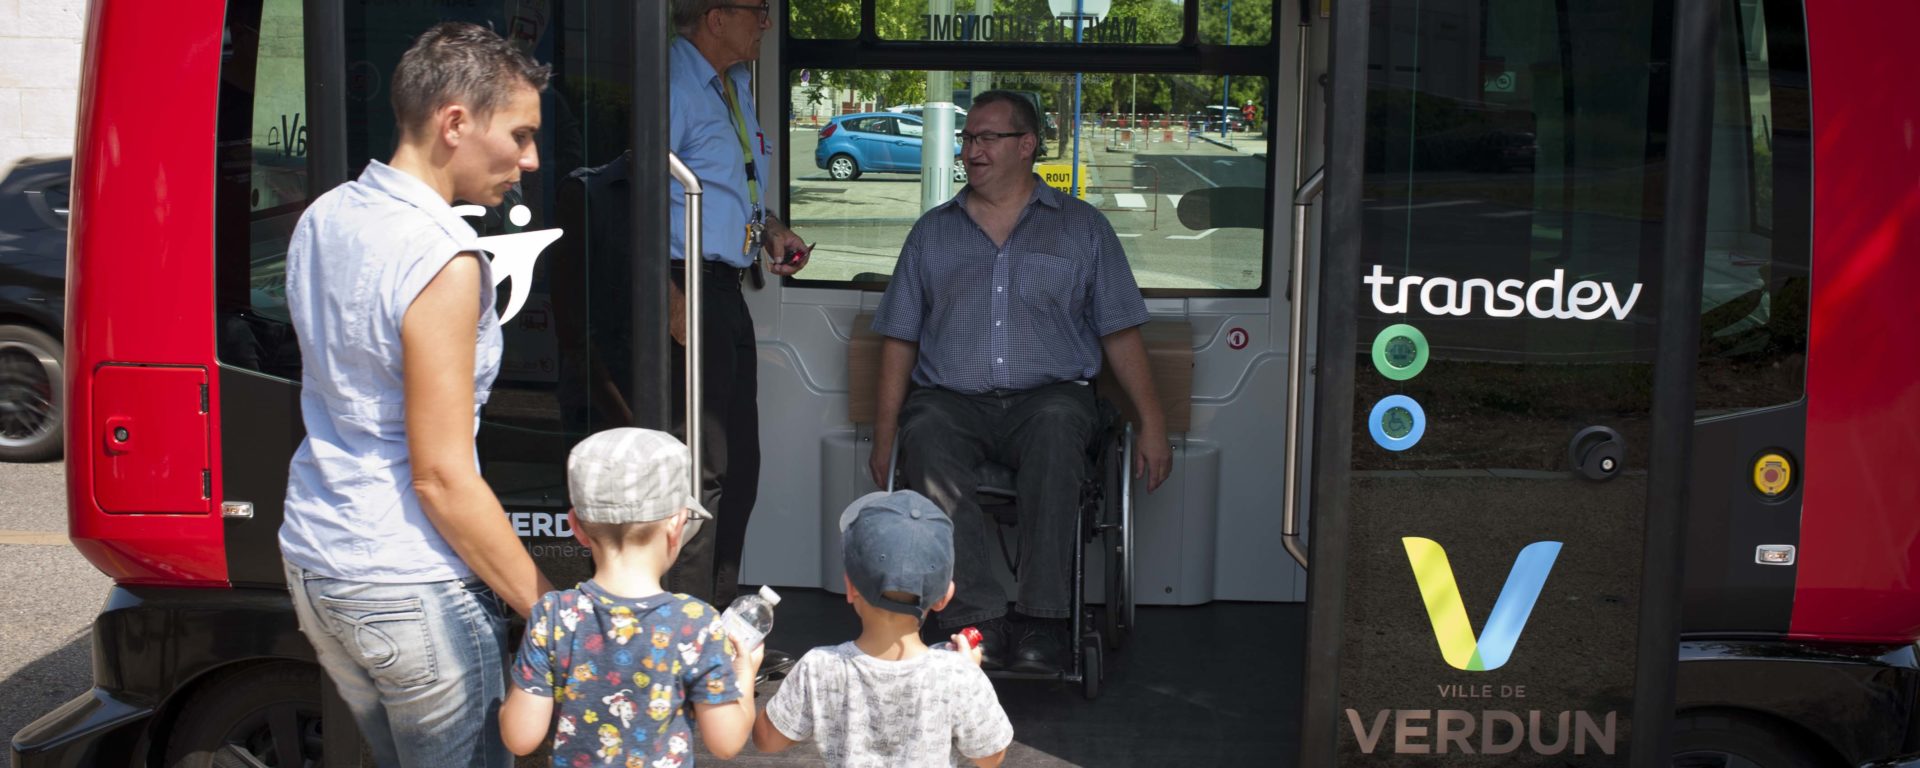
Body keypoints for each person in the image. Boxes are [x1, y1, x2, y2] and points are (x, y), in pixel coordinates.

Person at [278, 22, 554, 766]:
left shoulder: (324, 217)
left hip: (317, 560)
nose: (530, 161)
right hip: (407, 582)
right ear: (455, 121)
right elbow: (439, 476)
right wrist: (553, 611)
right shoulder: (444, 257)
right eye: (521, 134)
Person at [867, 90, 1175, 675]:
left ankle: (1044, 620)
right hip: (952, 401)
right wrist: (885, 439)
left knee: (1061, 429)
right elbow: (899, 340)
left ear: (1026, 145)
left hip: (1048, 398)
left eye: (985, 138)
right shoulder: (933, 233)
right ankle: (975, 619)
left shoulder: (1082, 229)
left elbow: (1120, 332)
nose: (970, 150)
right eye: (967, 138)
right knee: (925, 434)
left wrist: (1152, 426)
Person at [665, 0, 811, 609]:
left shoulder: (735, 84)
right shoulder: (672, 84)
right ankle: (686, 624)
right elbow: (629, 193)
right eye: (758, 10)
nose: (768, 24)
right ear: (715, 16)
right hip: (682, 282)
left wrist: (771, 227)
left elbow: (734, 184)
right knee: (704, 471)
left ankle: (719, 619)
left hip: (725, 286)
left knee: (741, 468)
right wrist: (666, 297)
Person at [501, 428, 764, 764]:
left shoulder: (552, 615)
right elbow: (725, 741)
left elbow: (520, 738)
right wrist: (744, 669)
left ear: (576, 527)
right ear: (677, 526)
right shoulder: (694, 623)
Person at [753, 490, 1014, 767]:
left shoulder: (819, 667)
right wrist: (970, 671)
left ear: (850, 588)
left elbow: (767, 740)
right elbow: (989, 756)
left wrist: (744, 670)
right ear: (944, 598)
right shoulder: (958, 674)